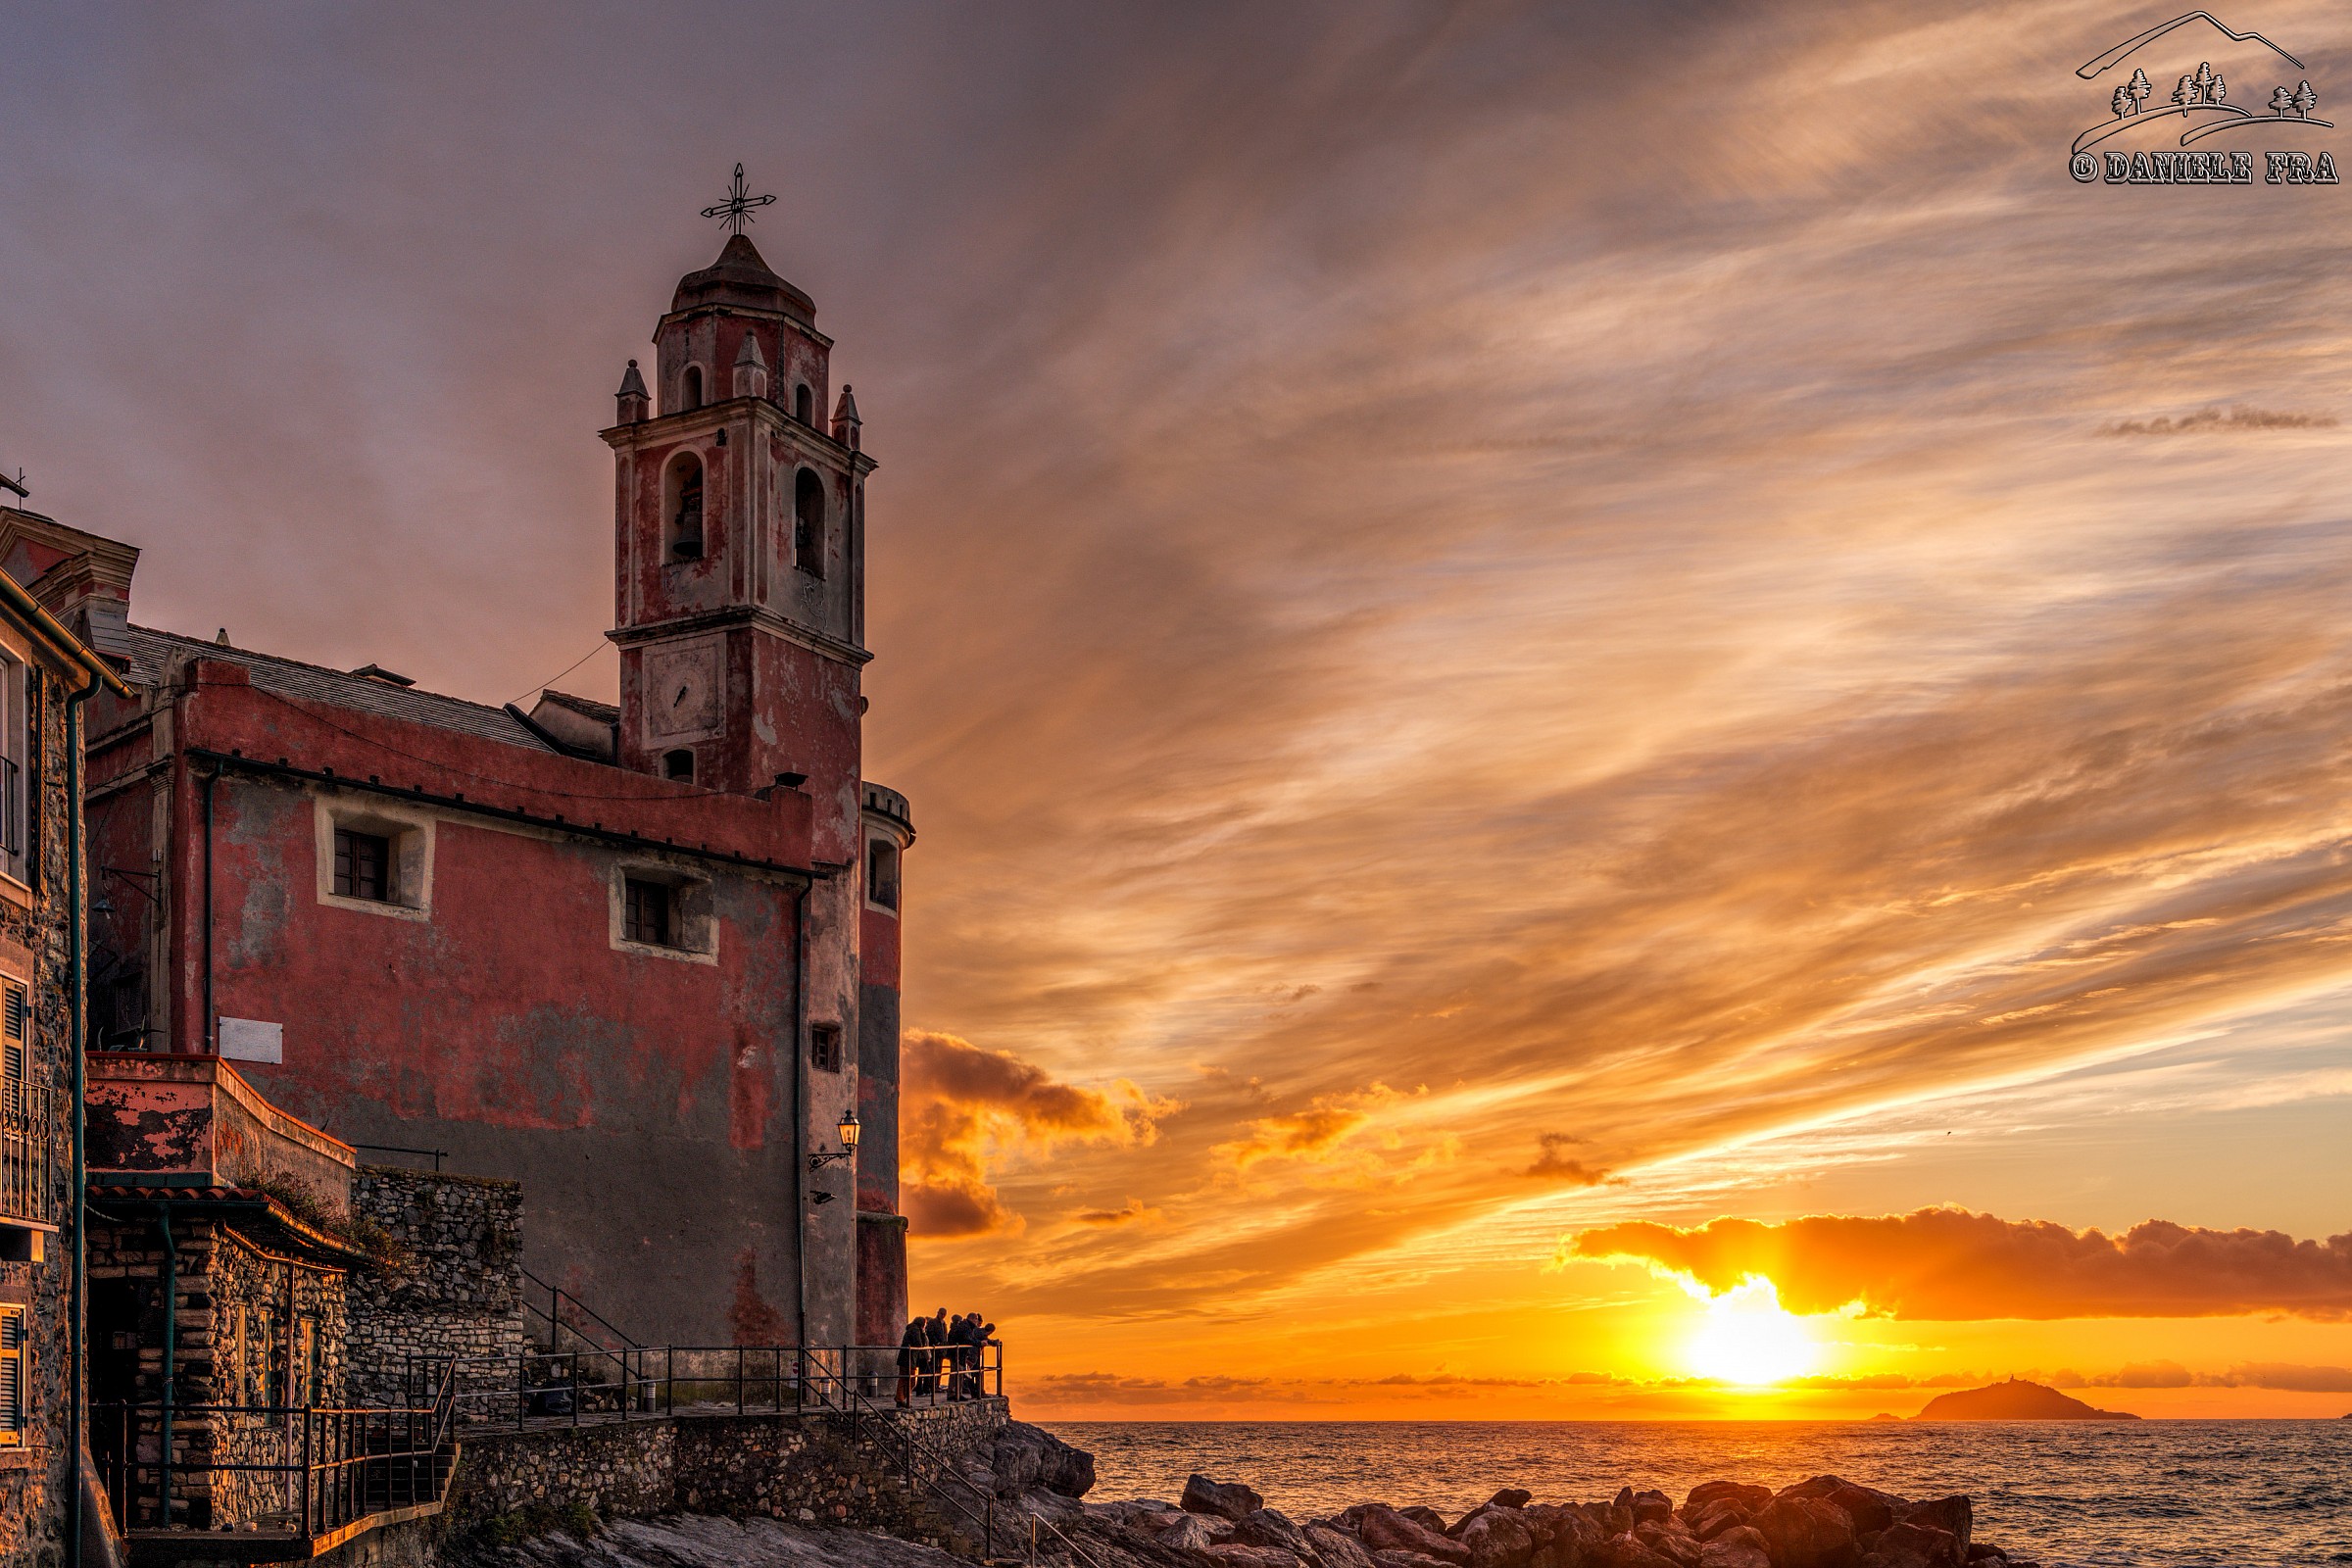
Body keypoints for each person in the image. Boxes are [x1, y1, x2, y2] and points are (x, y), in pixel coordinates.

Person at [895, 1316, 924, 1408]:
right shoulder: (915, 1330)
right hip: (909, 1359)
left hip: (906, 1358)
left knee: (904, 1379)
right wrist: (923, 1334)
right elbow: (919, 1344)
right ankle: (900, 1399)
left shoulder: (911, 1329)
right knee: (909, 1380)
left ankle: (901, 1398)